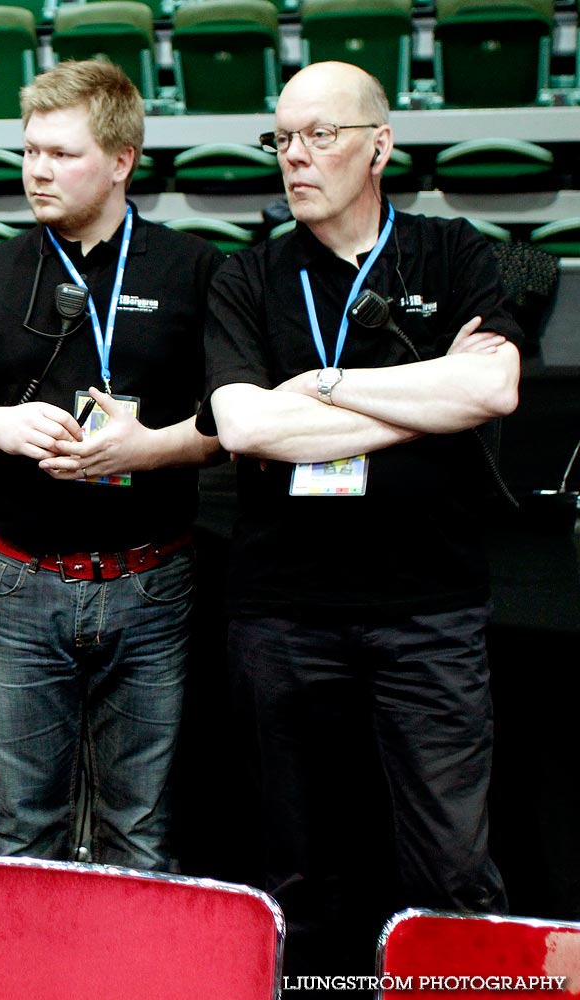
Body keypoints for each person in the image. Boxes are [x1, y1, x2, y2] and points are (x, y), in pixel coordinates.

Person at [203, 61, 517, 987]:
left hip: (428, 611)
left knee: (451, 862)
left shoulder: (459, 251)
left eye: (319, 135)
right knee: (297, 864)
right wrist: (428, 400)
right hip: (283, 614)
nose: (295, 158)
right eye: (282, 139)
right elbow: (245, 424)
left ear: (379, 145)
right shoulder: (244, 275)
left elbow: (494, 386)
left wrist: (326, 385)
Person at [0, 59, 223, 867]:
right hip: (23, 584)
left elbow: (228, 427)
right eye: (29, 152)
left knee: (142, 831)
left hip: (150, 581)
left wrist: (148, 446)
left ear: (121, 160)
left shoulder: (191, 270)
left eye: (61, 154)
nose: (38, 172)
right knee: (24, 831)